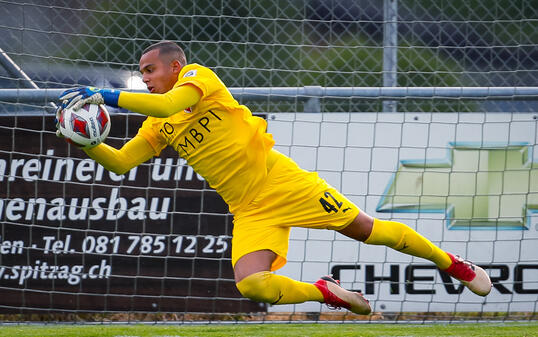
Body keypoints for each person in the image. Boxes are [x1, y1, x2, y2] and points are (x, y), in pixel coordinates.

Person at [55, 40, 492, 315]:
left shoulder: (196, 78)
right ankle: (325, 293)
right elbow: (122, 164)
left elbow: (170, 106)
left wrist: (108, 94)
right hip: (247, 208)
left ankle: (452, 264)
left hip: (279, 181)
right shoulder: (155, 123)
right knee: (251, 284)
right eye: (142, 73)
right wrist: (88, 141)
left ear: (174, 67)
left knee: (366, 230)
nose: (145, 78)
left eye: (149, 70)